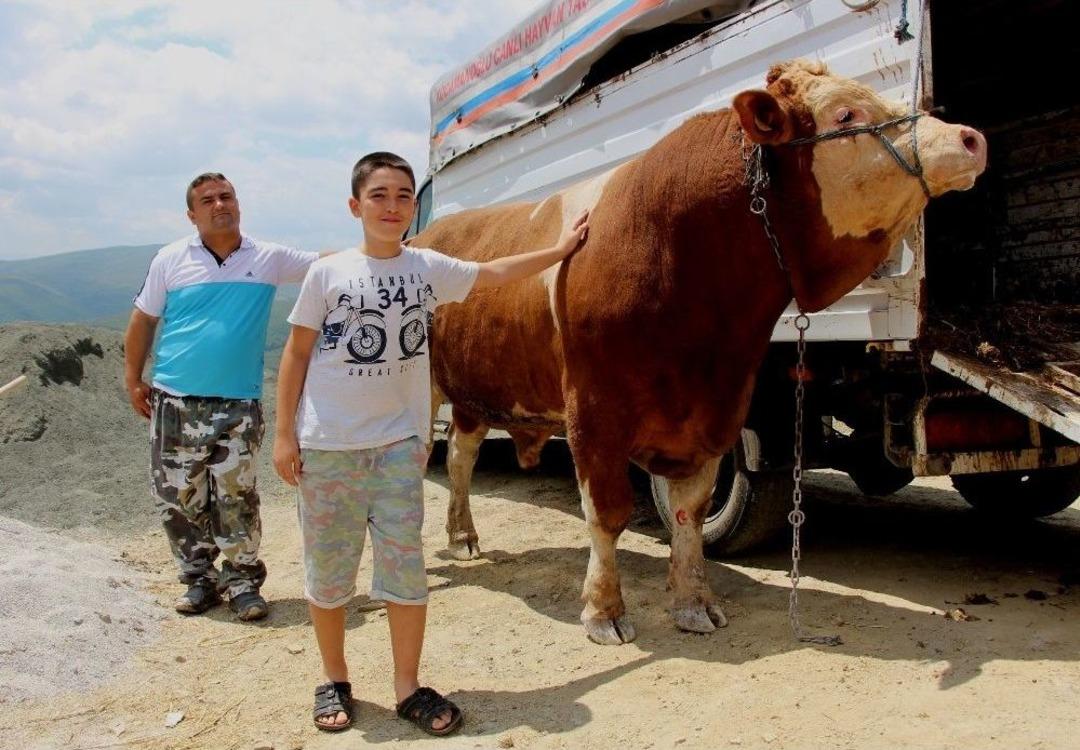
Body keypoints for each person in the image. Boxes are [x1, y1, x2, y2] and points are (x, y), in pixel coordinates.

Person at [273, 151, 588, 735]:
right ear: (354, 206)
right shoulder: (328, 273)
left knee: (406, 571)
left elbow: (495, 273)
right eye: (379, 195)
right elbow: (296, 354)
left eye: (403, 196)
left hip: (399, 449)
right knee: (330, 572)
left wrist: (561, 249)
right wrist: (285, 434)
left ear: (414, 207)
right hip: (329, 447)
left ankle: (407, 687)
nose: (392, 207)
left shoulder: (425, 269)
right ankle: (335, 678)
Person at [125, 172, 325, 621]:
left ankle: (242, 582)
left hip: (238, 403)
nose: (220, 205)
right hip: (175, 400)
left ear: (239, 204)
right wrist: (133, 378)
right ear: (191, 214)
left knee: (236, 494)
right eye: (208, 200)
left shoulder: (268, 258)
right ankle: (199, 581)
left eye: (227, 196)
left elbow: (328, 263)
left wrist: (388, 245)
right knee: (177, 496)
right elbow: (142, 321)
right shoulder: (170, 259)